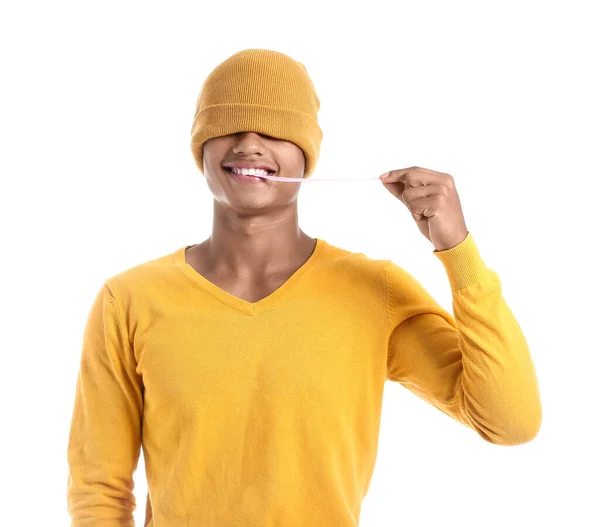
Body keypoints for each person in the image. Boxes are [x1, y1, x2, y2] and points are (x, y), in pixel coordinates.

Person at [66, 48, 542, 526]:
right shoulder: (128, 300)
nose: (249, 143)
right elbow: (98, 487)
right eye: (229, 126)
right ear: (201, 148)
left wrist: (457, 249)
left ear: (305, 154)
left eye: (274, 129)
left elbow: (510, 422)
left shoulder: (373, 292)